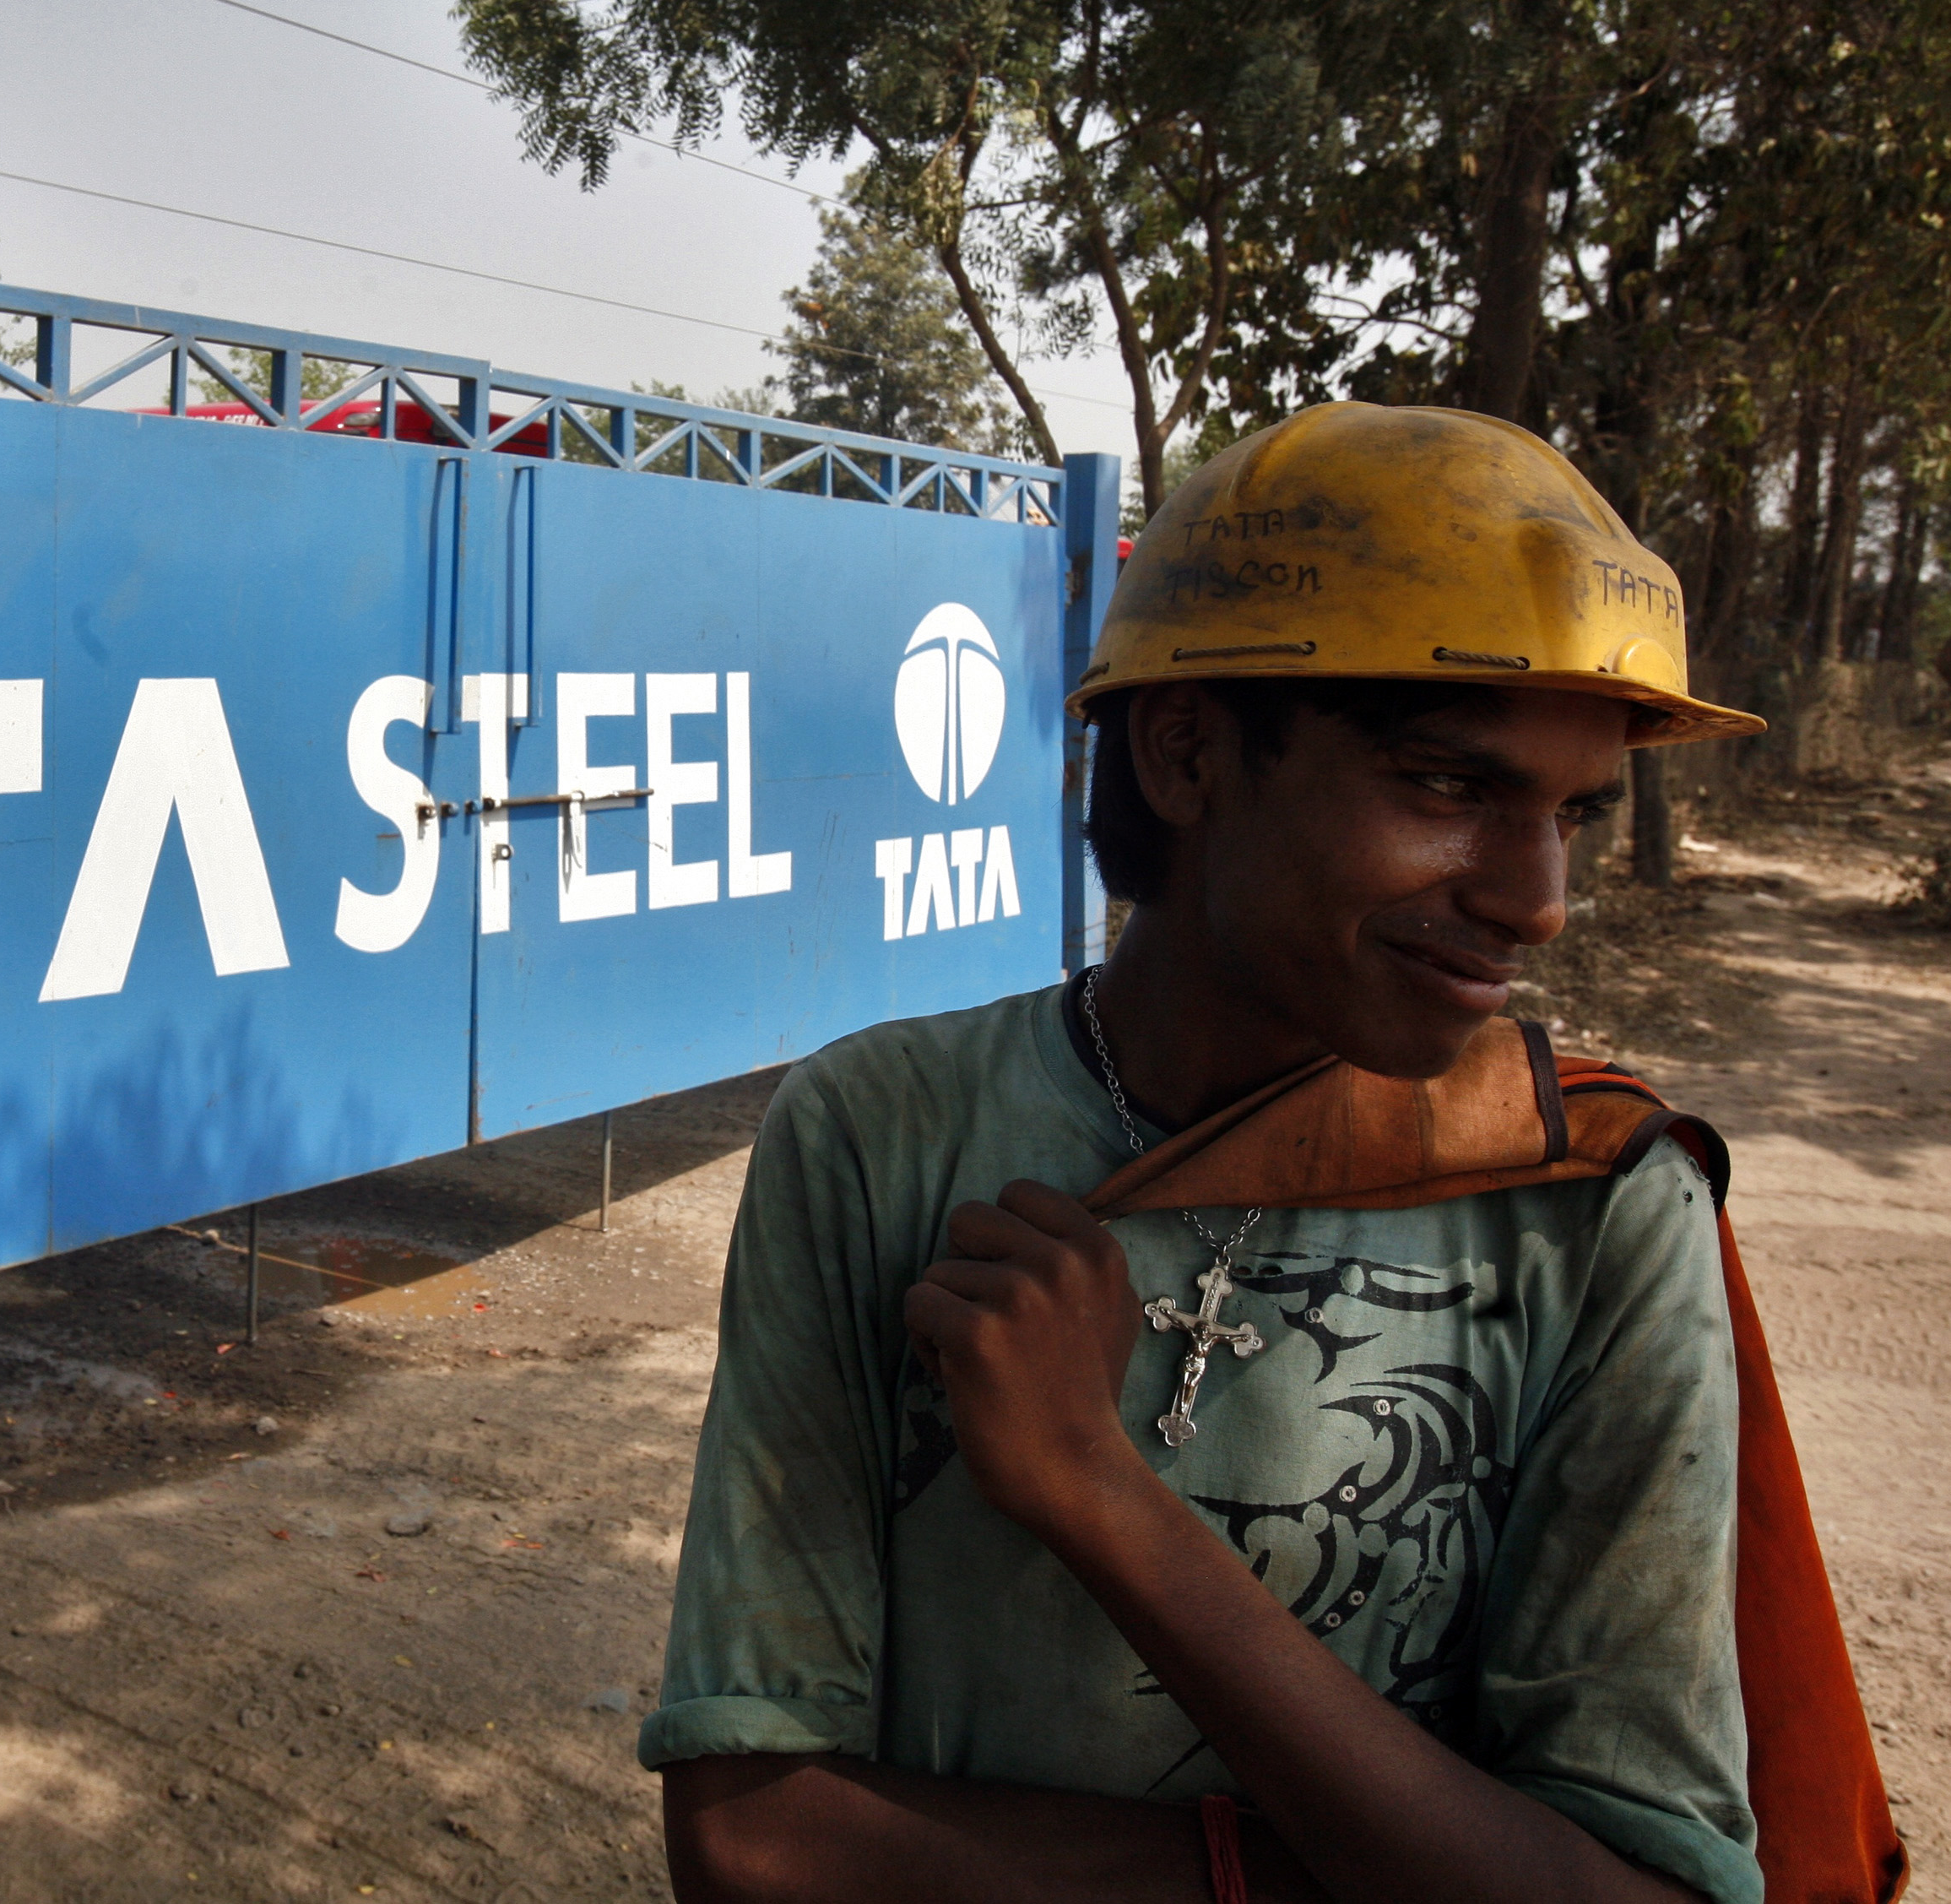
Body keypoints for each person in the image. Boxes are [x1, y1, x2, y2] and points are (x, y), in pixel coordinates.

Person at [645, 404, 1902, 1904]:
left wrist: (1096, 1493)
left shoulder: (1597, 1202)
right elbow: (753, 1839)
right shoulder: (883, 1133)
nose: (1541, 898)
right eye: (1452, 787)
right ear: (1187, 752)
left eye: (1571, 813)